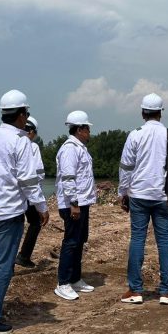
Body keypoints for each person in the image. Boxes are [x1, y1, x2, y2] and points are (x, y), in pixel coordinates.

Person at [0, 90, 50, 334]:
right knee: (5, 266)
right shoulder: (20, 141)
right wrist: (42, 207)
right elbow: (27, 180)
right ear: (23, 115)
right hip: (9, 212)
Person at [118, 93, 168, 305]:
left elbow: (126, 167)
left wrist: (123, 192)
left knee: (138, 240)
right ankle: (166, 292)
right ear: (160, 112)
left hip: (139, 195)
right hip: (163, 195)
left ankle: (135, 290)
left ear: (142, 112)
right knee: (164, 241)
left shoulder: (135, 135)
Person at [53, 110, 98, 301]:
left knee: (80, 240)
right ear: (80, 129)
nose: (89, 132)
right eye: (87, 128)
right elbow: (68, 178)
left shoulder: (80, 148)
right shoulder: (70, 149)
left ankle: (75, 278)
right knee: (71, 241)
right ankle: (63, 283)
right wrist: (73, 203)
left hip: (82, 202)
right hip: (73, 204)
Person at [15, 116, 45, 268]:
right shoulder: (32, 147)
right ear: (31, 131)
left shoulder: (9, 142)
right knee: (35, 222)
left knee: (13, 229)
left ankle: (7, 265)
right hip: (27, 194)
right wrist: (40, 202)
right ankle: (24, 256)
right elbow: (38, 175)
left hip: (11, 195)